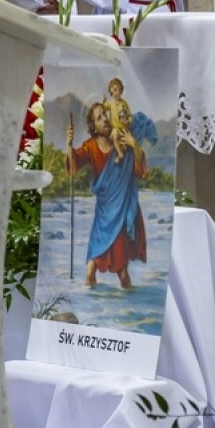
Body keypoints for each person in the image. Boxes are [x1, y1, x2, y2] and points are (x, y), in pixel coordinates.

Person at [67, 101, 148, 289]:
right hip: (102, 218)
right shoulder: (91, 146)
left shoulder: (122, 141)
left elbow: (141, 172)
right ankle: (91, 305)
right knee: (89, 272)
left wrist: (134, 145)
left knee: (123, 275)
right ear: (93, 127)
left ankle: (129, 305)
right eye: (99, 118)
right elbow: (73, 165)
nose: (105, 119)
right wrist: (69, 144)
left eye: (105, 114)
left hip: (119, 216)